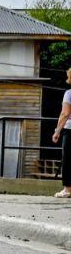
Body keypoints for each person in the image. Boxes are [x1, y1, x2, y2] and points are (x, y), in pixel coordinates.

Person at [53, 67, 71, 198]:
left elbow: (65, 114)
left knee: (68, 159)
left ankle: (68, 190)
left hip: (70, 130)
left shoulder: (69, 93)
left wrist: (57, 131)